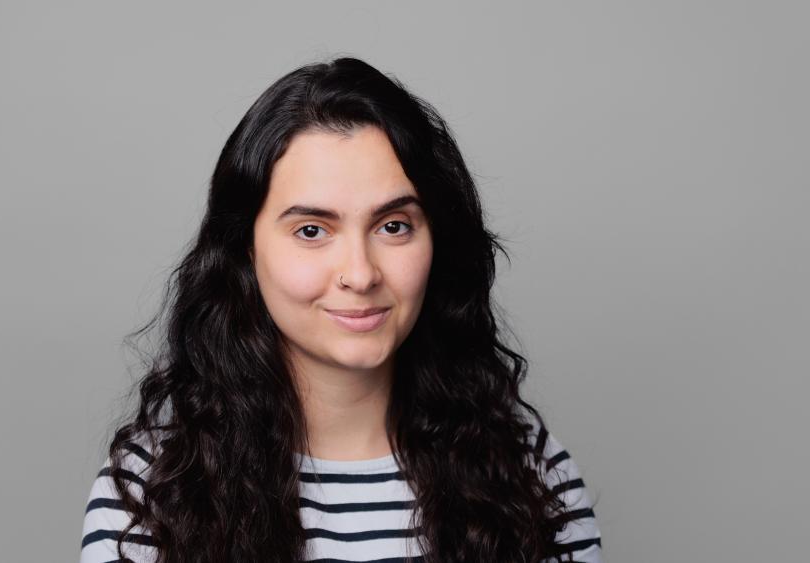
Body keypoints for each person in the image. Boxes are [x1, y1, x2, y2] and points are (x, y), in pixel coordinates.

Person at [79, 56, 602, 563]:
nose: (361, 273)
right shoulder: (152, 490)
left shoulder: (531, 475)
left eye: (393, 226)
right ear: (246, 250)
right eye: (312, 230)